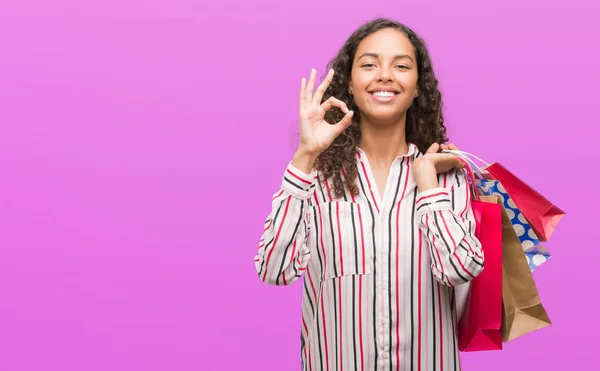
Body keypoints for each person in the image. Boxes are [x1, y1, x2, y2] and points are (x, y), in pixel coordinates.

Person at [254, 17, 484, 371]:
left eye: (401, 66)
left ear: (418, 87)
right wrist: (305, 156)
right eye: (369, 64)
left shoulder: (445, 176)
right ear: (350, 82)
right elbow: (274, 269)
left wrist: (428, 188)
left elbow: (460, 270)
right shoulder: (316, 178)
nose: (385, 75)